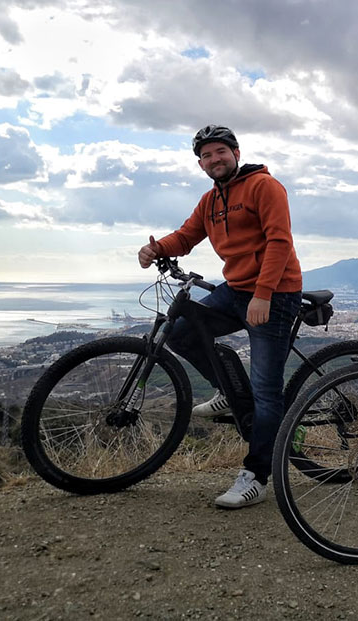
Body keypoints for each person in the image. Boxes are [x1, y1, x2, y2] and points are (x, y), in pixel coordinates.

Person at [138, 124, 303, 509]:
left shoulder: (265, 186)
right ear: (200, 164)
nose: (215, 159)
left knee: (265, 392)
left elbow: (280, 241)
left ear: (236, 152)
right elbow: (187, 236)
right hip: (236, 290)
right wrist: (156, 249)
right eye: (207, 155)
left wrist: (263, 295)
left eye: (220, 152)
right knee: (181, 332)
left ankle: (258, 476)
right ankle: (230, 393)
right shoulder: (209, 200)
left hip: (275, 293)